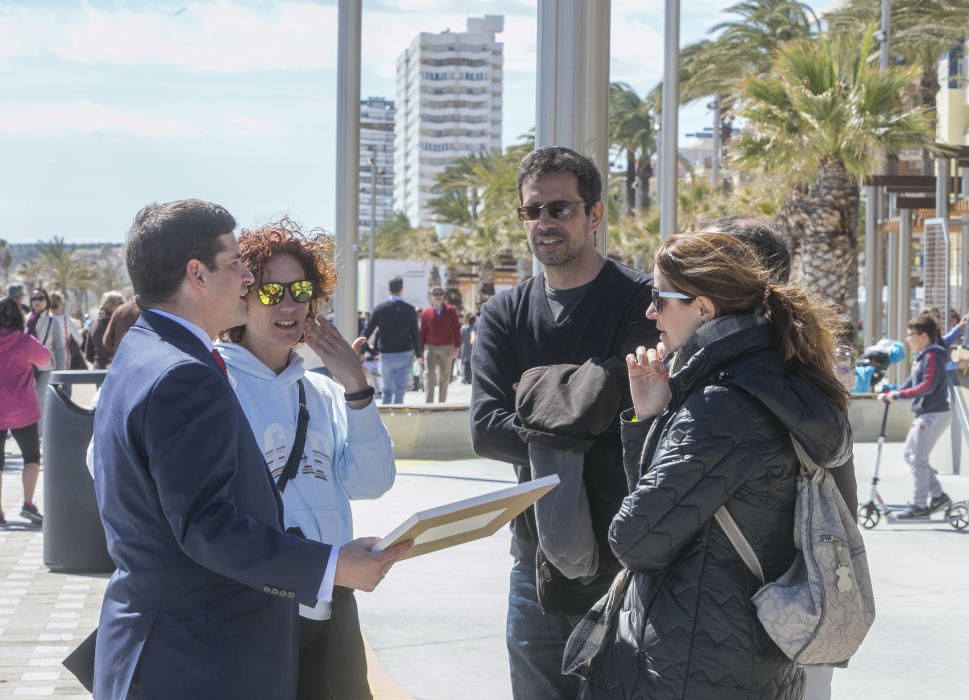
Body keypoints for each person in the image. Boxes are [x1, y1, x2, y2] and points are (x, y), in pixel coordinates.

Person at [89, 199, 410, 699]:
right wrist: (331, 566)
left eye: (300, 291)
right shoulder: (187, 375)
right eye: (238, 266)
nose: (245, 279)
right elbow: (205, 524)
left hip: (186, 640)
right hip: (197, 649)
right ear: (197, 274)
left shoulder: (145, 353)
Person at [578, 231, 851, 699]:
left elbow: (635, 539)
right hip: (744, 657)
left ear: (703, 309)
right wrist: (649, 417)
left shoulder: (721, 407)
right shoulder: (775, 379)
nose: (650, 314)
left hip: (691, 666)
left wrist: (653, 421)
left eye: (659, 299)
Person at [470, 146, 658, 699]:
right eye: (533, 211)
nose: (545, 223)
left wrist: (529, 398)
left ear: (594, 215)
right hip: (534, 566)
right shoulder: (504, 314)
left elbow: (630, 408)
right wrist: (586, 395)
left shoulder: (640, 302)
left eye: (561, 209)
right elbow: (485, 430)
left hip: (625, 563)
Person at [216, 219, 396, 700]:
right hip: (253, 604)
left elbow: (373, 481)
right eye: (272, 292)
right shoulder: (210, 384)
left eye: (301, 290)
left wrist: (355, 386)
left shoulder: (320, 391)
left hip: (331, 601)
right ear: (243, 298)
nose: (290, 305)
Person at [879, 311, 952, 519]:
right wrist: (890, 393)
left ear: (924, 336)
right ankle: (938, 496)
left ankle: (920, 506)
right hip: (926, 413)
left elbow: (926, 385)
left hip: (934, 414)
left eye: (911, 335)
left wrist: (899, 394)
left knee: (918, 458)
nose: (908, 339)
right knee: (909, 455)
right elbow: (911, 383)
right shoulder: (922, 357)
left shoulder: (933, 355)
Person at [0, 297, 51, 525]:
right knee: (31, 457)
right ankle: (28, 504)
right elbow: (45, 360)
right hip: (23, 409)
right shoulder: (25, 341)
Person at [363, 277, 420, 404]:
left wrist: (362, 349)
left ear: (389, 290)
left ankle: (386, 419)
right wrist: (419, 354)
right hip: (405, 354)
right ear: (402, 290)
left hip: (386, 355)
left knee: (387, 390)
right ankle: (398, 419)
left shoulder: (380, 309)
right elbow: (415, 334)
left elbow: (367, 331)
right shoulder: (410, 310)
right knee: (400, 391)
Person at [26, 287, 64, 426]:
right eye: (34, 298)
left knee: (40, 399)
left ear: (46, 301)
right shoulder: (25, 320)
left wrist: (60, 373)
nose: (37, 301)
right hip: (26, 368)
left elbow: (60, 349)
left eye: (41, 298)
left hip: (46, 367)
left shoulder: (52, 322)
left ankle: (40, 435)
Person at [420, 286, 461, 403]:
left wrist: (457, 348)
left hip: (447, 348)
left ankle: (442, 403)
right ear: (431, 297)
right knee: (429, 375)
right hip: (430, 348)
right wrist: (420, 352)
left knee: (445, 377)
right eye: (435, 294)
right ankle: (429, 403)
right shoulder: (426, 313)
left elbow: (456, 330)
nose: (438, 296)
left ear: (444, 296)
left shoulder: (451, 310)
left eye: (440, 294)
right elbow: (422, 333)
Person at [84, 291, 124, 369]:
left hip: (98, 369)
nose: (124, 306)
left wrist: (99, 362)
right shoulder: (117, 324)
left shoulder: (94, 324)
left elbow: (88, 354)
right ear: (112, 306)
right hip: (115, 369)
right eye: (120, 304)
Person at [49, 291, 86, 370]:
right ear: (61, 304)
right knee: (64, 379)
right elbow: (79, 339)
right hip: (64, 354)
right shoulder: (66, 320)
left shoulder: (46, 319)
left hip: (47, 355)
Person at [460, 313, 476, 384]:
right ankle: (469, 378)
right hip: (472, 348)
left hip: (464, 347)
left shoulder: (463, 328)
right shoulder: (474, 328)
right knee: (470, 364)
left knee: (465, 364)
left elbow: (460, 338)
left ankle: (465, 378)